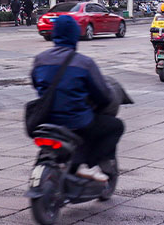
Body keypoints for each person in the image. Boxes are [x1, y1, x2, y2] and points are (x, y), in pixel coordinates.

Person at [31, 15, 124, 183]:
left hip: (46, 120)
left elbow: (36, 84)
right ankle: (91, 164)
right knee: (115, 126)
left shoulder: (40, 59)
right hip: (76, 122)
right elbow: (102, 95)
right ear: (75, 35)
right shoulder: (84, 63)